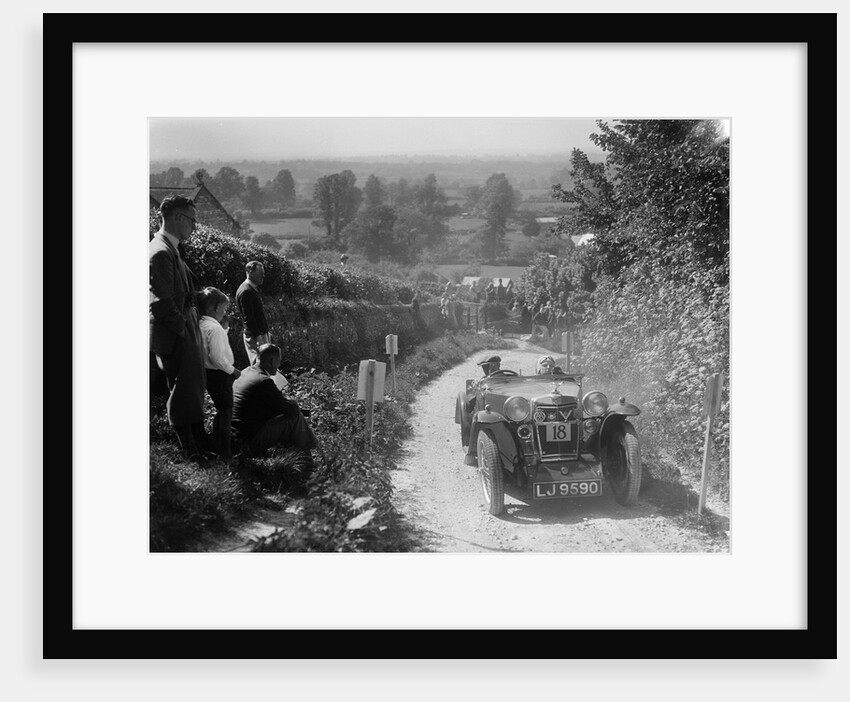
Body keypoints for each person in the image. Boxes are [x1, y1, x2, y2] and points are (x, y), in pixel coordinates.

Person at [149, 195, 209, 460]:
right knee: (183, 392)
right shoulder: (160, 251)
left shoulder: (168, 248)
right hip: (175, 334)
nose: (194, 228)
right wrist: (183, 329)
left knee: (190, 389)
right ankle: (191, 454)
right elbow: (160, 302)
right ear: (177, 218)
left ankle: (197, 446)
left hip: (181, 330)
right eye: (192, 221)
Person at [232, 343, 318, 459]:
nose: (279, 365)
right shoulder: (263, 381)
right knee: (295, 417)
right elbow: (290, 410)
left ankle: (294, 456)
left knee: (286, 414)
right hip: (248, 440)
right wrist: (292, 402)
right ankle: (308, 458)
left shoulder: (246, 371)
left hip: (234, 435)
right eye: (278, 361)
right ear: (271, 361)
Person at [197, 287, 241, 461]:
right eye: (223, 309)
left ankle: (218, 444)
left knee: (222, 409)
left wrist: (225, 329)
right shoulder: (214, 329)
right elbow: (217, 358)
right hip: (220, 373)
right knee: (226, 410)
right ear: (214, 308)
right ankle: (225, 451)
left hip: (209, 373)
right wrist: (233, 371)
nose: (224, 312)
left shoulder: (203, 324)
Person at [236, 260, 270, 365]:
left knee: (265, 364)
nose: (263, 276)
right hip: (255, 336)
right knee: (259, 365)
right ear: (250, 272)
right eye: (260, 273)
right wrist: (259, 338)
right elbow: (249, 318)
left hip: (259, 334)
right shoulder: (246, 291)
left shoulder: (250, 289)